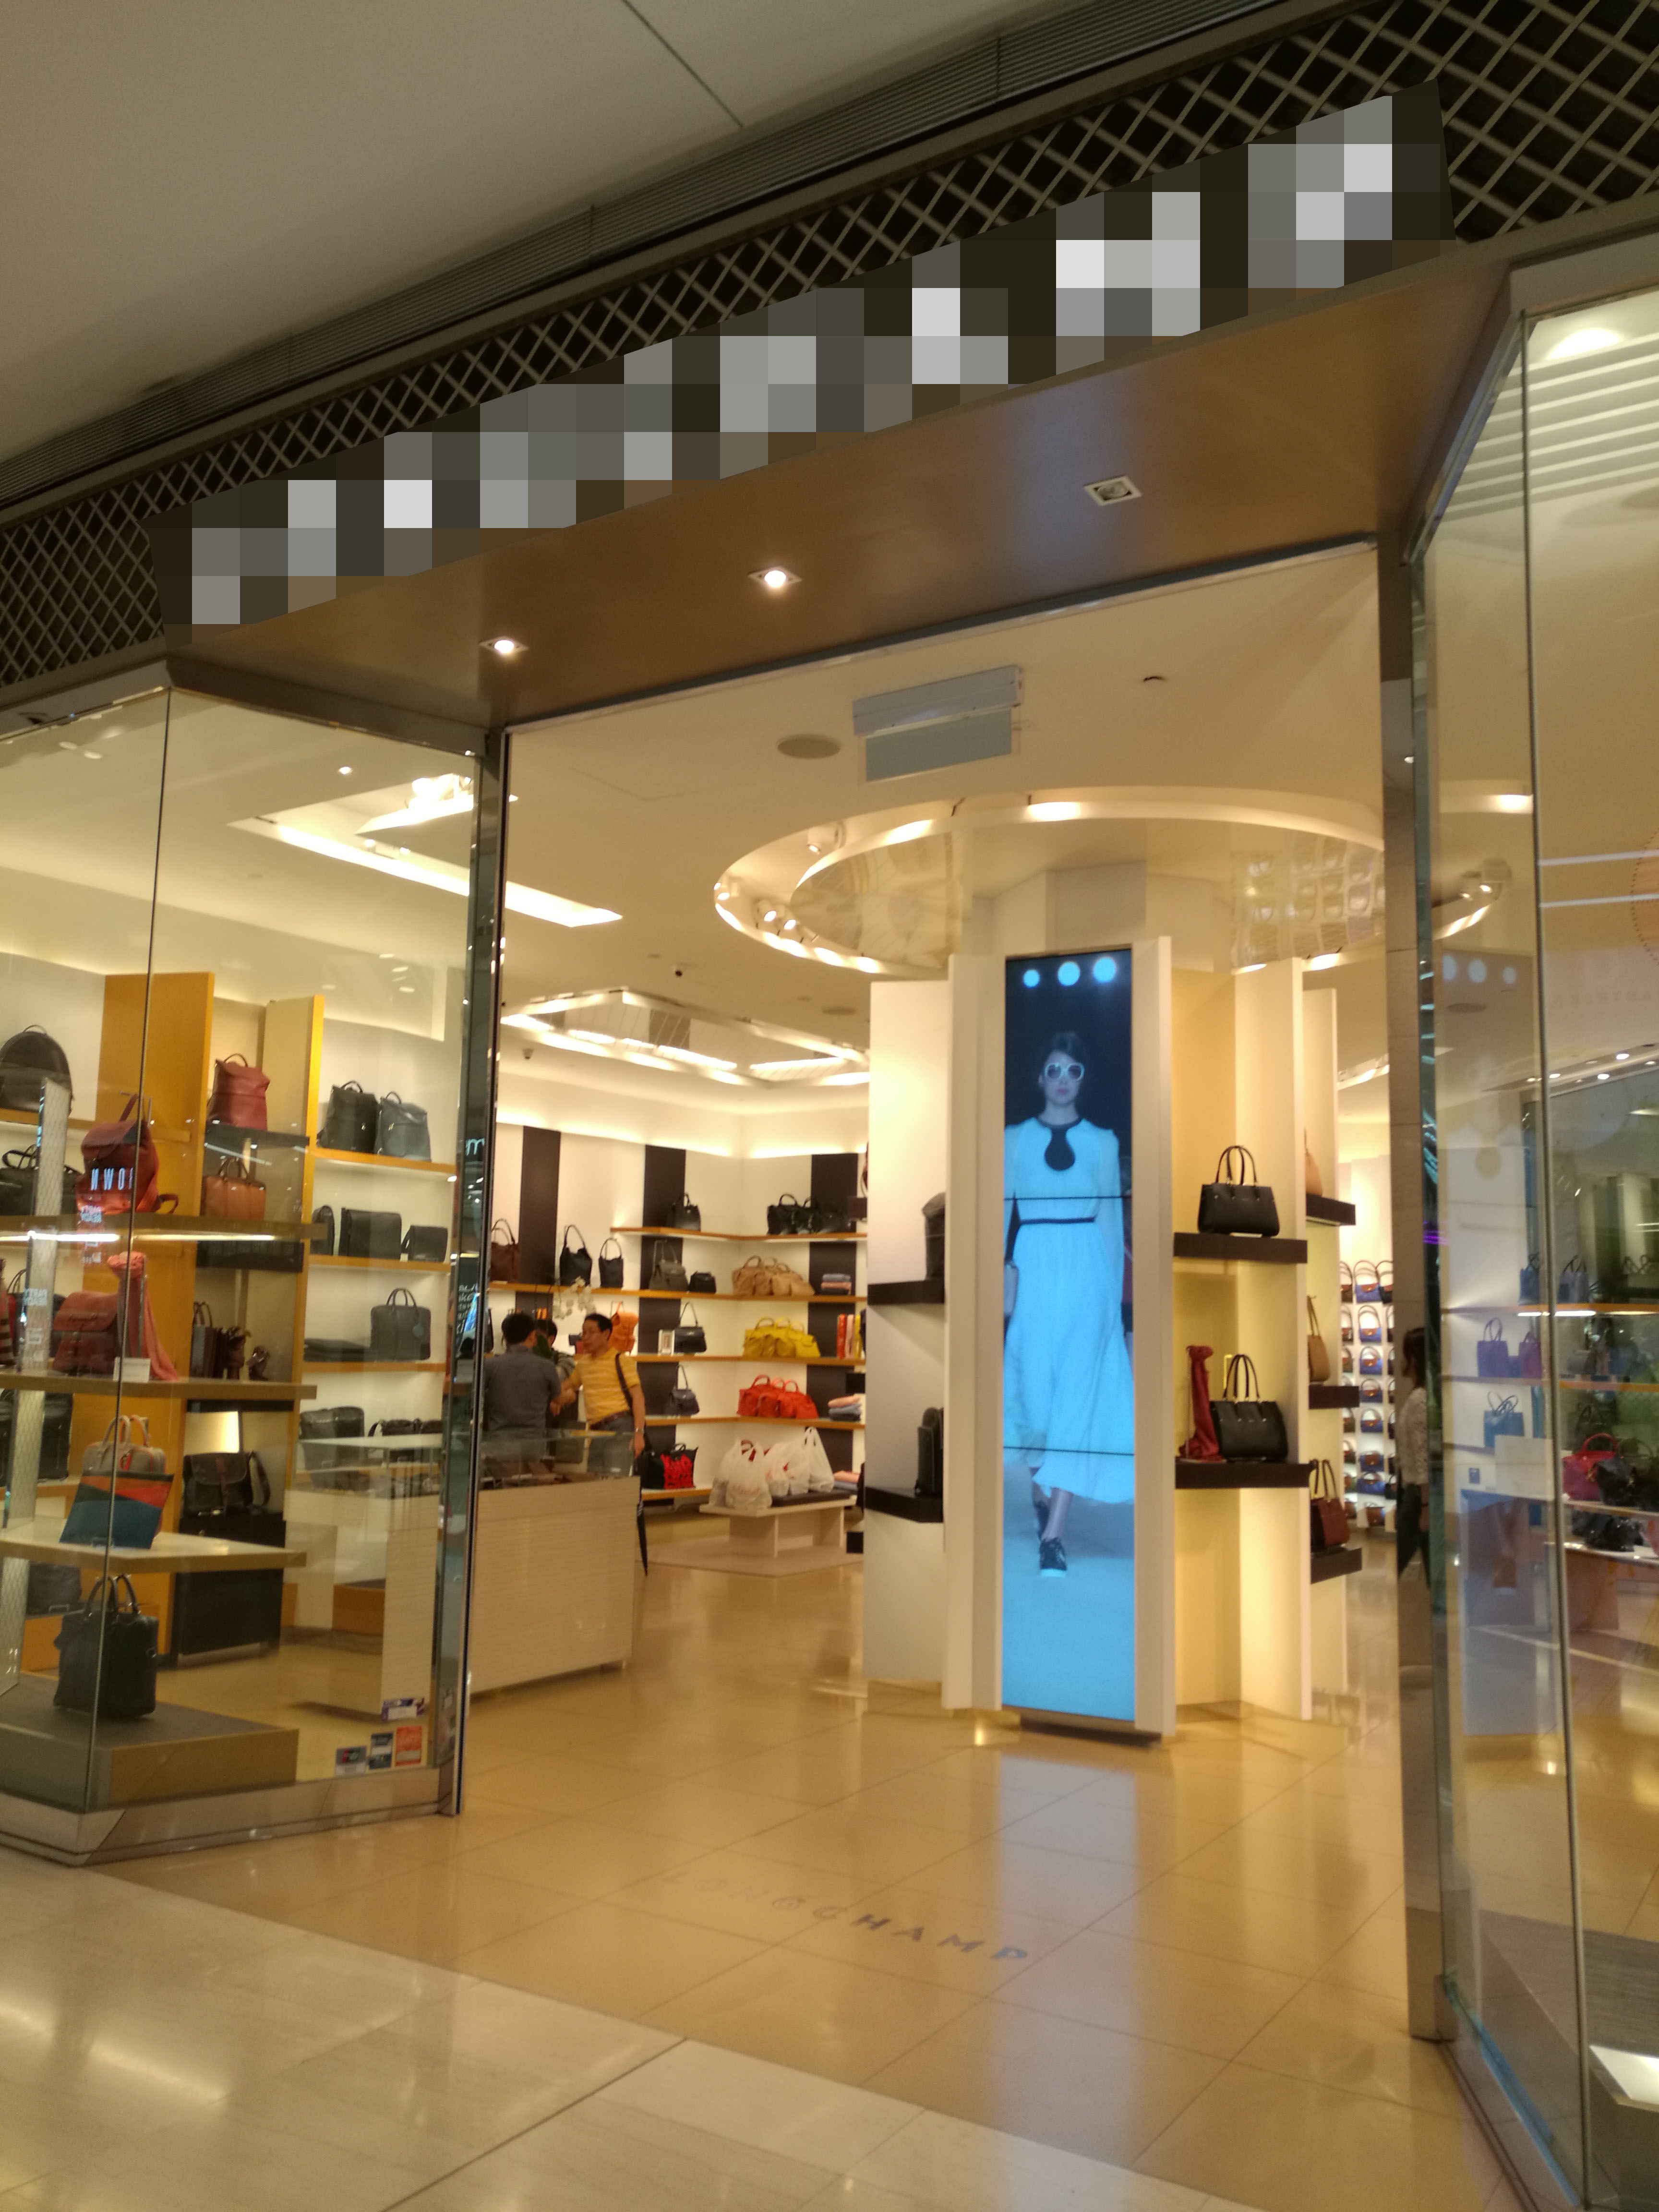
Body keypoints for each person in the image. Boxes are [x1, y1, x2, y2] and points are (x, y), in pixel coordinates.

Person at [1004, 1028, 1132, 1576]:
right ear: (1040, 1077)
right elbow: (999, 1215)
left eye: (1073, 1071)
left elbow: (1111, 1222)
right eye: (1054, 1069)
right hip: (1033, 1269)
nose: (1062, 1079)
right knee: (1035, 1397)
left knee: (1076, 1401)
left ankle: (1055, 1534)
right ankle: (1041, 1496)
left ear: (1083, 1079)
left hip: (1086, 1276)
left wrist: (1113, 1305)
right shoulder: (1013, 1140)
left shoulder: (1103, 1142)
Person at [556, 1311, 646, 1473]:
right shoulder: (583, 1364)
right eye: (584, 1333)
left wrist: (639, 1433)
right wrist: (556, 1399)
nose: (585, 1338)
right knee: (595, 1479)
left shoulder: (621, 1360)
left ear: (606, 1334)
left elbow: (638, 1398)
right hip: (595, 1430)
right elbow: (567, 1386)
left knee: (614, 1480)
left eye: (591, 1332)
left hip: (620, 1426)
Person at [481, 1310, 560, 1474]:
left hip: (499, 1441)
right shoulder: (546, 1366)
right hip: (534, 1442)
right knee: (530, 1485)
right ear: (532, 1336)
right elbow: (558, 1398)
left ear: (505, 1338)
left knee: (503, 1484)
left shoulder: (490, 1366)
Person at [1395, 1324, 1431, 1577]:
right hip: (1415, 1495)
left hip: (1417, 1497)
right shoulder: (1419, 1396)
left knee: (1398, 1558)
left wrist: (1425, 1507)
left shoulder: (1419, 1399)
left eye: (1404, 1354)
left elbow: (1422, 1456)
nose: (1401, 1361)